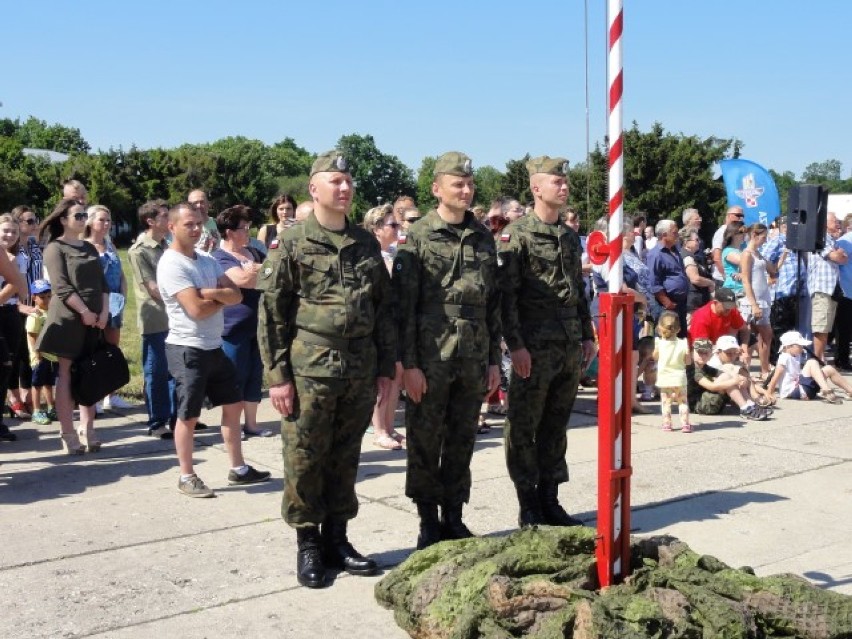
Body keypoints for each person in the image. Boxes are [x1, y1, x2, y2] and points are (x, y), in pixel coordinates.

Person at [257, 150, 396, 589]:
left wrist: (384, 365)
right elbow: (272, 315)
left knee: (345, 456)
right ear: (313, 189)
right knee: (305, 457)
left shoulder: (366, 242)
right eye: (334, 180)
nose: (344, 187)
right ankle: (308, 544)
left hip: (358, 367)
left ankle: (338, 538)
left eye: (347, 180)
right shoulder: (293, 242)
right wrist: (277, 377)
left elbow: (383, 309)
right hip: (310, 368)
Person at [393, 151, 501, 549]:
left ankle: (453, 516)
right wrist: (409, 365)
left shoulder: (483, 235)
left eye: (470, 183)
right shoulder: (419, 235)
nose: (466, 189)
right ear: (437, 188)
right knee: (424, 438)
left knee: (462, 437)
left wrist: (493, 361)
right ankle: (427, 521)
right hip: (431, 352)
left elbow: (493, 305)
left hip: (473, 354)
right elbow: (403, 307)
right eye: (458, 183)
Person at [497, 155, 595, 527]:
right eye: (557, 181)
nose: (564, 186)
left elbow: (579, 291)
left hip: (568, 343)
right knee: (524, 425)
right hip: (533, 346)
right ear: (537, 188)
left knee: (555, 425)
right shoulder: (515, 236)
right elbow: (507, 297)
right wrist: (515, 345)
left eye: (565, 181)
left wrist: (587, 334)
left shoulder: (569, 237)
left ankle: (550, 497)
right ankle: (528, 503)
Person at [157, 203, 271, 497]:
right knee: (189, 415)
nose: (196, 229)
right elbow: (195, 309)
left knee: (233, 407)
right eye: (188, 225)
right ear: (172, 227)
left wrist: (209, 293)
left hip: (214, 345)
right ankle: (186, 475)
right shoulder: (171, 264)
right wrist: (216, 296)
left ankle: (239, 469)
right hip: (187, 348)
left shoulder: (206, 260)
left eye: (198, 224)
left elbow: (235, 294)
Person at [35, 200, 108, 454]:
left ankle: (88, 429)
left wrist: (104, 312)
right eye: (77, 215)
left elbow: (103, 284)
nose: (82, 218)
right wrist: (85, 312)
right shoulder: (54, 248)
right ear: (63, 220)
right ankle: (67, 433)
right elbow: (62, 287)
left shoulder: (88, 247)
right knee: (66, 374)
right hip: (68, 319)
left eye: (84, 214)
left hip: (95, 319)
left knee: (90, 374)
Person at [212, 205, 271, 440]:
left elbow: (276, 272)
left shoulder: (254, 253)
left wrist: (259, 270)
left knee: (255, 375)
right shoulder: (219, 257)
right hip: (233, 328)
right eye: (243, 228)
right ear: (229, 232)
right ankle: (232, 425)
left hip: (259, 326)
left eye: (249, 227)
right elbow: (242, 280)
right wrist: (261, 273)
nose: (248, 232)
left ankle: (252, 424)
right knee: (235, 376)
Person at [128, 201, 175, 438]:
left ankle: (178, 418)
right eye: (165, 216)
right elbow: (152, 288)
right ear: (151, 221)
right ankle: (158, 422)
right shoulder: (139, 250)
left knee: (176, 370)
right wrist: (183, 297)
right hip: (155, 318)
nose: (170, 220)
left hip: (176, 317)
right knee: (156, 371)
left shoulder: (169, 244)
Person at [362, 204, 405, 450]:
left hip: (396, 323)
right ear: (376, 229)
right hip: (377, 326)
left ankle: (389, 427)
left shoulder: (394, 253)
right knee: (383, 379)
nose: (397, 228)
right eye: (392, 225)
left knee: (396, 376)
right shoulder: (369, 256)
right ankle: (379, 430)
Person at [84, 204, 131, 410]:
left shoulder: (110, 245)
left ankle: (110, 395)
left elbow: (120, 274)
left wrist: (122, 296)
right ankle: (93, 396)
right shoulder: (84, 246)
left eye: (108, 220)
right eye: (101, 220)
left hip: (114, 303)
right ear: (90, 222)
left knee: (112, 350)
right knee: (94, 350)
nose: (105, 224)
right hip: (95, 304)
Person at [8, 205, 43, 419]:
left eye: (35, 220)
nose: (34, 224)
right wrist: (20, 305)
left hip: (36, 305)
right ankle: (14, 399)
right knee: (16, 355)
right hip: (17, 305)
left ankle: (28, 395)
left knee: (31, 354)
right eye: (28, 221)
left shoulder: (34, 245)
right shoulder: (12, 249)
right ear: (18, 223)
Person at [687, 338, 769, 420]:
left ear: (711, 354)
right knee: (727, 377)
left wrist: (740, 379)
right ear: (691, 353)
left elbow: (725, 374)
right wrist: (734, 381)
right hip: (700, 405)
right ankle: (745, 408)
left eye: (706, 353)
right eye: (700, 352)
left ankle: (750, 405)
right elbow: (711, 386)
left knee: (729, 375)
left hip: (711, 401)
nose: (703, 356)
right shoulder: (693, 369)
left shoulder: (705, 367)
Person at [766, 331, 852, 404]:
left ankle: (850, 390)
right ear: (788, 347)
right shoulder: (784, 357)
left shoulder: (795, 356)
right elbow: (776, 376)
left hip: (804, 389)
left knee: (829, 368)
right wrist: (769, 393)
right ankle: (826, 390)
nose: (802, 348)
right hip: (794, 390)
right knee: (812, 362)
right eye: (799, 346)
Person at [738, 223, 776, 379]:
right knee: (764, 334)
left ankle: (763, 369)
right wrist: (754, 304)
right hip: (753, 302)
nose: (765, 241)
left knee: (762, 336)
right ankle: (763, 370)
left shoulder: (758, 254)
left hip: (763, 299)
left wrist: (784, 253)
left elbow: (773, 270)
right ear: (754, 236)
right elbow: (746, 280)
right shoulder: (747, 254)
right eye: (763, 237)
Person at [0, 215, 26, 441]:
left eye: (13, 231)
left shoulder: (14, 257)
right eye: (5, 230)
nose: (9, 235)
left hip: (8, 314)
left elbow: (20, 285)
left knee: (6, 366)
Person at [807, 212, 847, 361]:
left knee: (826, 328)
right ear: (824, 223)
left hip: (830, 290)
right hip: (822, 289)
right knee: (820, 328)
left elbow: (843, 259)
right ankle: (817, 360)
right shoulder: (821, 239)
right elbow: (836, 257)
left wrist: (839, 255)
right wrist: (838, 255)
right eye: (834, 220)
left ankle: (820, 358)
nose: (837, 223)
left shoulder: (831, 240)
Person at [646, 219, 689, 336]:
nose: (678, 235)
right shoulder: (656, 254)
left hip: (680, 304)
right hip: (666, 305)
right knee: (666, 339)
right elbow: (654, 283)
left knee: (680, 339)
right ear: (664, 234)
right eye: (674, 233)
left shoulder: (675, 251)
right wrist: (667, 303)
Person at [24, 279, 58, 426]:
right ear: (34, 298)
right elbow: (32, 335)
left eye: (49, 296)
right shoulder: (35, 315)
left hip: (52, 355)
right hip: (40, 356)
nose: (46, 300)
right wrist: (37, 353)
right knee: (37, 384)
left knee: (49, 384)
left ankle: (51, 407)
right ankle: (37, 411)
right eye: (42, 297)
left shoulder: (51, 312)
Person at [653, 311, 692, 432]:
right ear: (678, 329)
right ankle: (685, 424)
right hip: (679, 378)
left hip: (665, 379)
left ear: (660, 327)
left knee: (666, 403)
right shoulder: (683, 343)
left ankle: (667, 424)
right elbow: (688, 361)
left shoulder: (659, 343)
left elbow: (655, 357)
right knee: (683, 402)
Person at [688, 287, 750, 355]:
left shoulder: (731, 310)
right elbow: (701, 348)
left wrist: (744, 345)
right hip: (703, 352)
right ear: (715, 302)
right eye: (725, 306)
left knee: (751, 343)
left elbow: (745, 330)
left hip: (719, 347)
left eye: (730, 305)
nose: (728, 309)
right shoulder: (702, 318)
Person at [679, 226, 714, 317]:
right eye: (696, 240)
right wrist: (710, 283)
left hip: (698, 302)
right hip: (693, 304)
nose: (699, 242)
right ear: (686, 242)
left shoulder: (692, 256)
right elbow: (695, 279)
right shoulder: (687, 257)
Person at [711, 205, 744, 285]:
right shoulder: (722, 231)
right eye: (738, 215)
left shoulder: (738, 231)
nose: (741, 218)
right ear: (729, 215)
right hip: (723, 279)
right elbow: (717, 257)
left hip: (737, 279)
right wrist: (725, 276)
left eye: (742, 216)